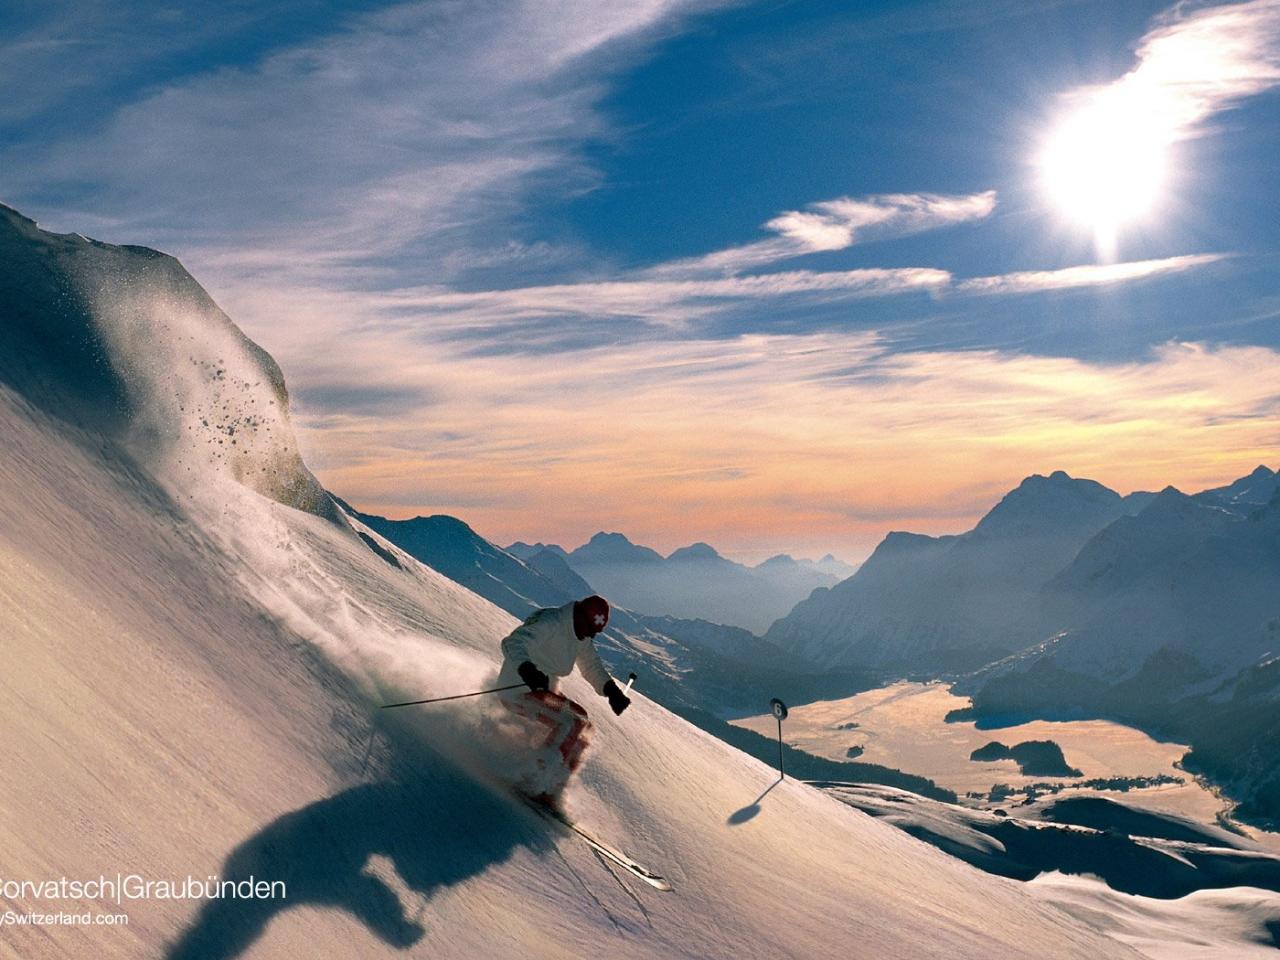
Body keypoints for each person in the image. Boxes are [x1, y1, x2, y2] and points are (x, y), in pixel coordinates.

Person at [495, 595, 630, 806]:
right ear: (580, 616)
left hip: (545, 692)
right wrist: (527, 669)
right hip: (518, 688)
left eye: (595, 633)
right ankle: (532, 781)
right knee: (569, 722)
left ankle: (554, 787)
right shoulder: (552, 622)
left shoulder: (581, 635)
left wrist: (611, 691)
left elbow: (591, 666)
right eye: (589, 629)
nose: (590, 636)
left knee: (584, 724)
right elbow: (514, 642)